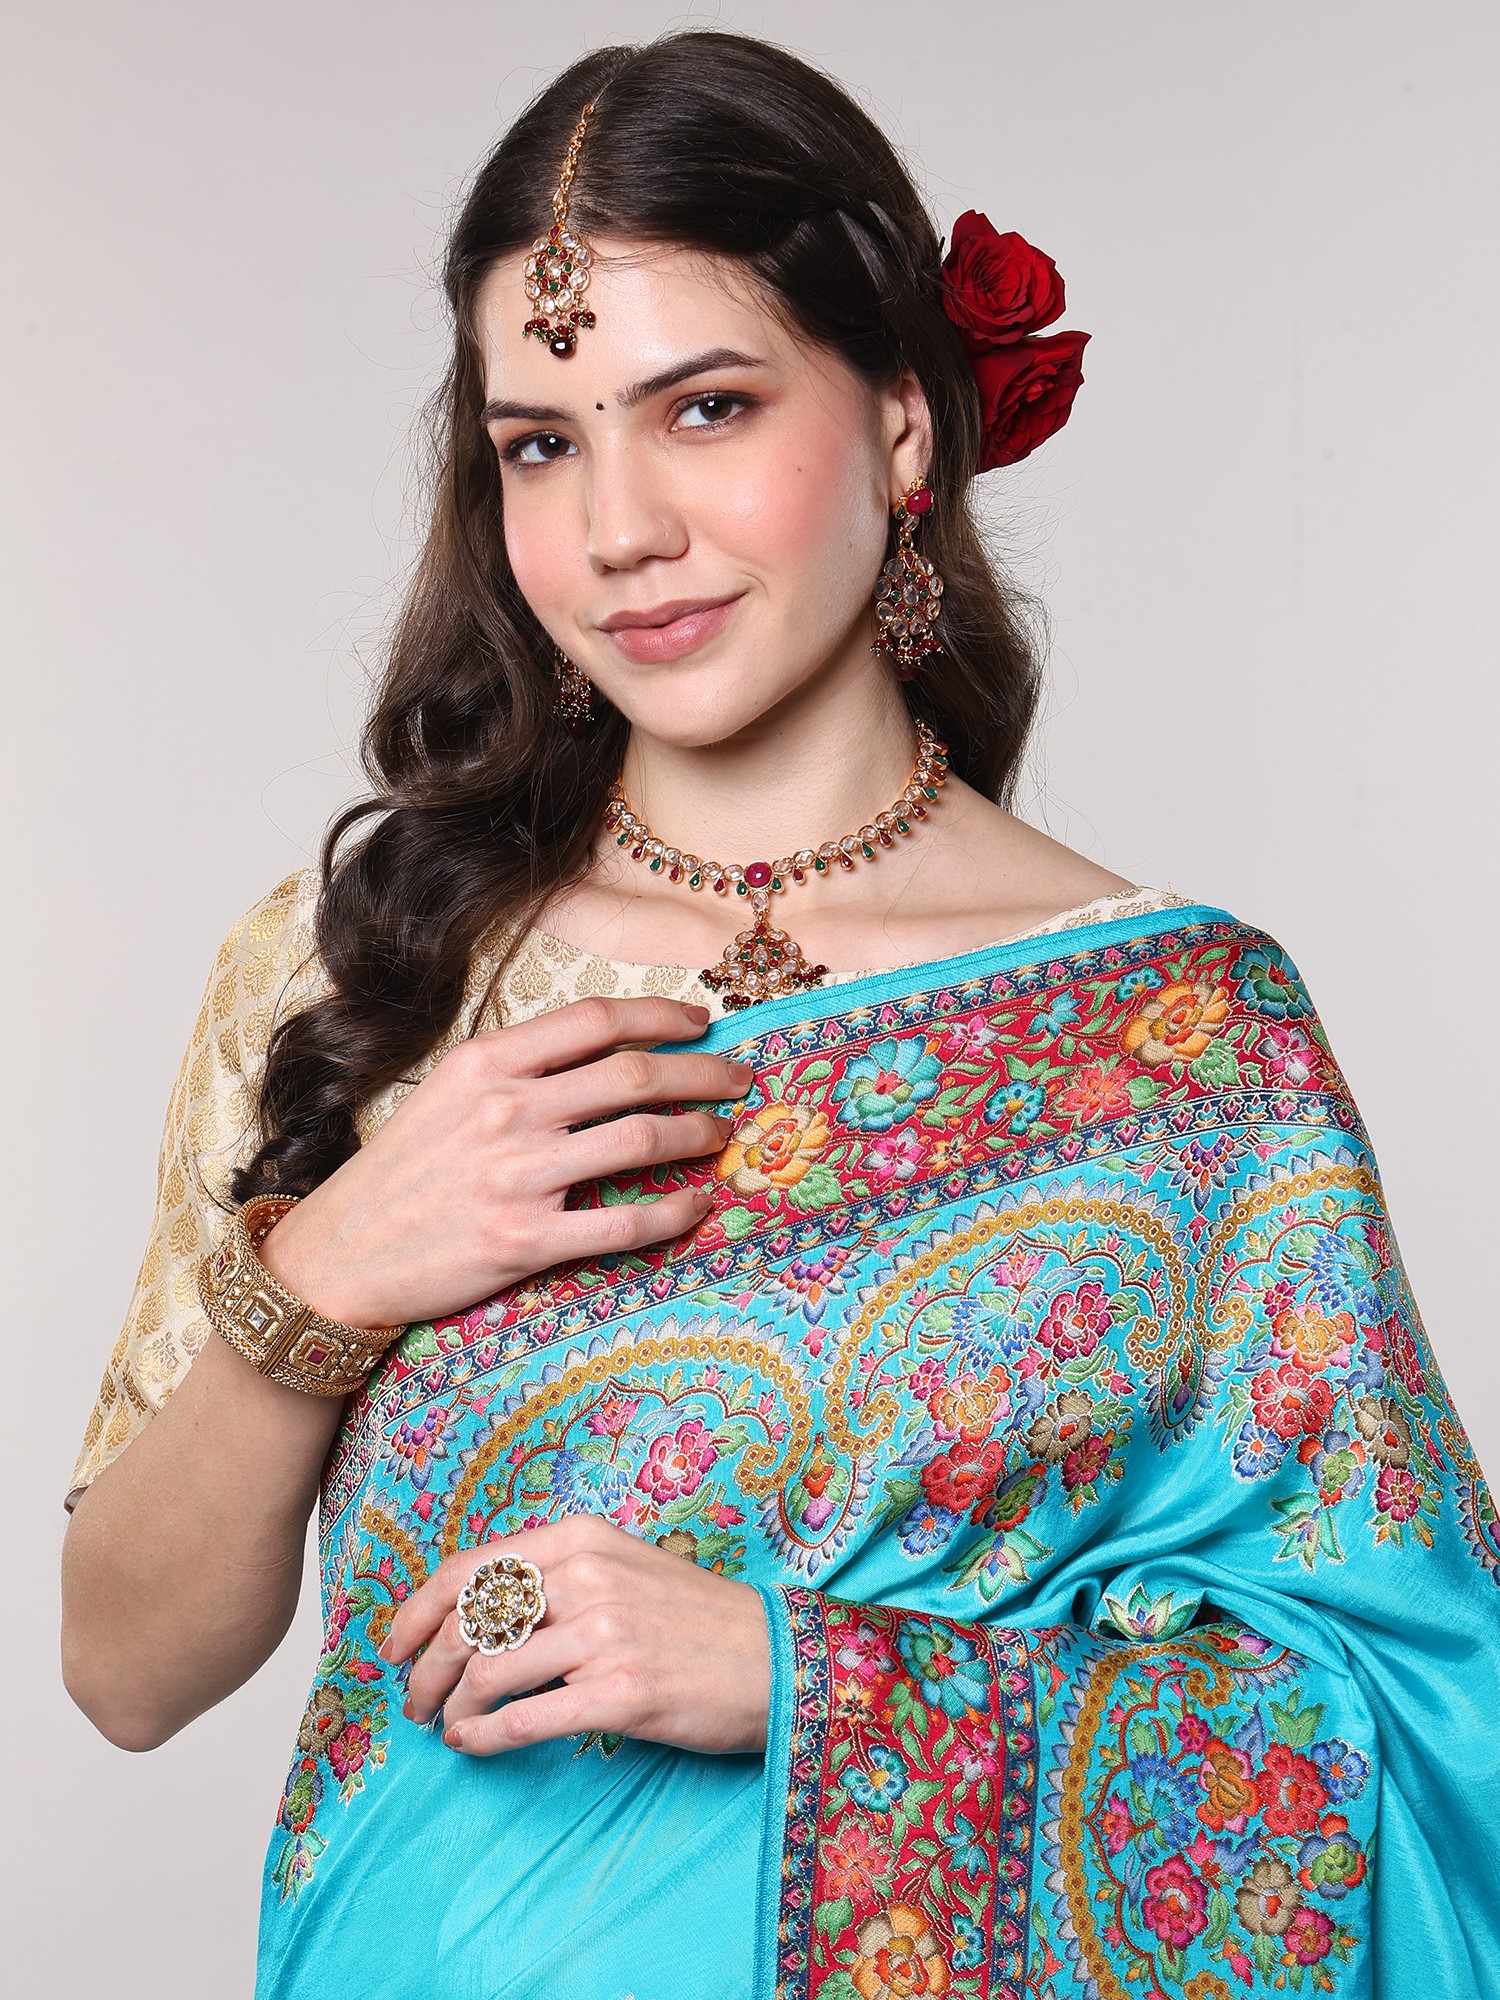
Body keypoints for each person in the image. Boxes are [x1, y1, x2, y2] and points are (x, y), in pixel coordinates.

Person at [60, 29, 1500, 2000]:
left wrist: (799, 1679)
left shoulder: (1183, 1035)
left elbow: (1420, 1730)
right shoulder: (363, 972)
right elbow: (124, 1669)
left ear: (904, 426)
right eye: (540, 443)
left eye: (708, 408)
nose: (617, 529)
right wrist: (329, 1270)